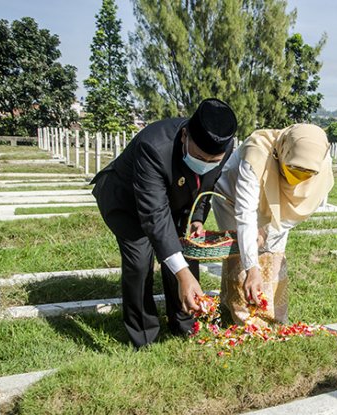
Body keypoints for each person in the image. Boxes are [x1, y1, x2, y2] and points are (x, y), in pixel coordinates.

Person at [91, 98, 238, 347]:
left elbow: (207, 186)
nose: (207, 164)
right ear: (184, 137)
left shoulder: (223, 147)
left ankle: (184, 322)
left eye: (214, 160)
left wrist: (198, 218)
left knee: (186, 251)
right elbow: (154, 217)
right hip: (126, 202)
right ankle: (144, 335)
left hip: (172, 201)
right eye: (200, 157)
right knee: (139, 262)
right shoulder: (154, 146)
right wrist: (181, 273)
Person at [212, 123, 333, 325]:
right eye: (293, 169)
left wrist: (268, 230)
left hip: (278, 208)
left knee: (273, 256)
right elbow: (245, 212)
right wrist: (252, 267)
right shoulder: (256, 153)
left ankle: (272, 316)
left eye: (306, 174)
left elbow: (299, 208)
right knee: (241, 259)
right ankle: (241, 317)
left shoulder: (319, 162)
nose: (297, 179)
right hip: (232, 201)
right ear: (282, 153)